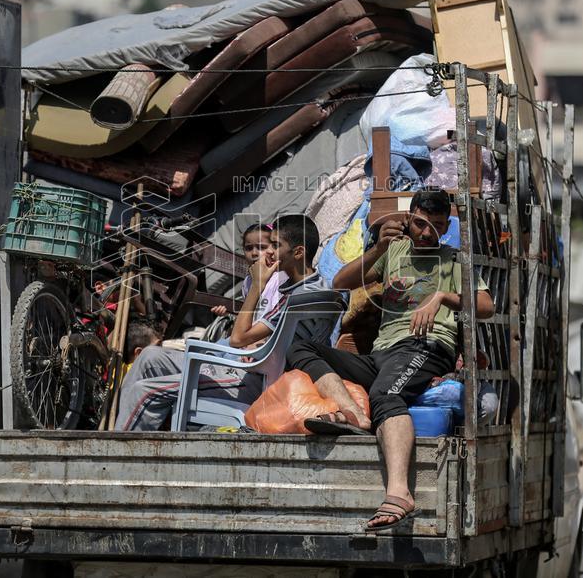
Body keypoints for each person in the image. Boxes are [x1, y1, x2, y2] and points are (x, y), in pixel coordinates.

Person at [286, 189, 495, 532]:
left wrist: (441, 296)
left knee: (386, 395)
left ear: (446, 228)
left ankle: (400, 493)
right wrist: (379, 248)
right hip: (382, 355)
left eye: (438, 226)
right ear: (409, 219)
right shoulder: (393, 251)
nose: (428, 233)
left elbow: (487, 306)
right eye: (421, 224)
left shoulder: (454, 260)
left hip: (426, 349)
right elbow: (340, 282)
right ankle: (352, 414)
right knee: (303, 349)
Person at [114, 215, 329, 431]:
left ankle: (114, 456)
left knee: (146, 391)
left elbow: (237, 339)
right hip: (243, 365)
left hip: (254, 379)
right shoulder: (305, 285)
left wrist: (257, 285)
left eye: (276, 245)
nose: (268, 252)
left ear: (299, 252)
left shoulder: (301, 296)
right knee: (149, 357)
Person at [210, 223, 288, 325]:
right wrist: (228, 314)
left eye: (261, 247)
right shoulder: (248, 281)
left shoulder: (282, 278)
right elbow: (251, 315)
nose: (254, 253)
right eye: (248, 248)